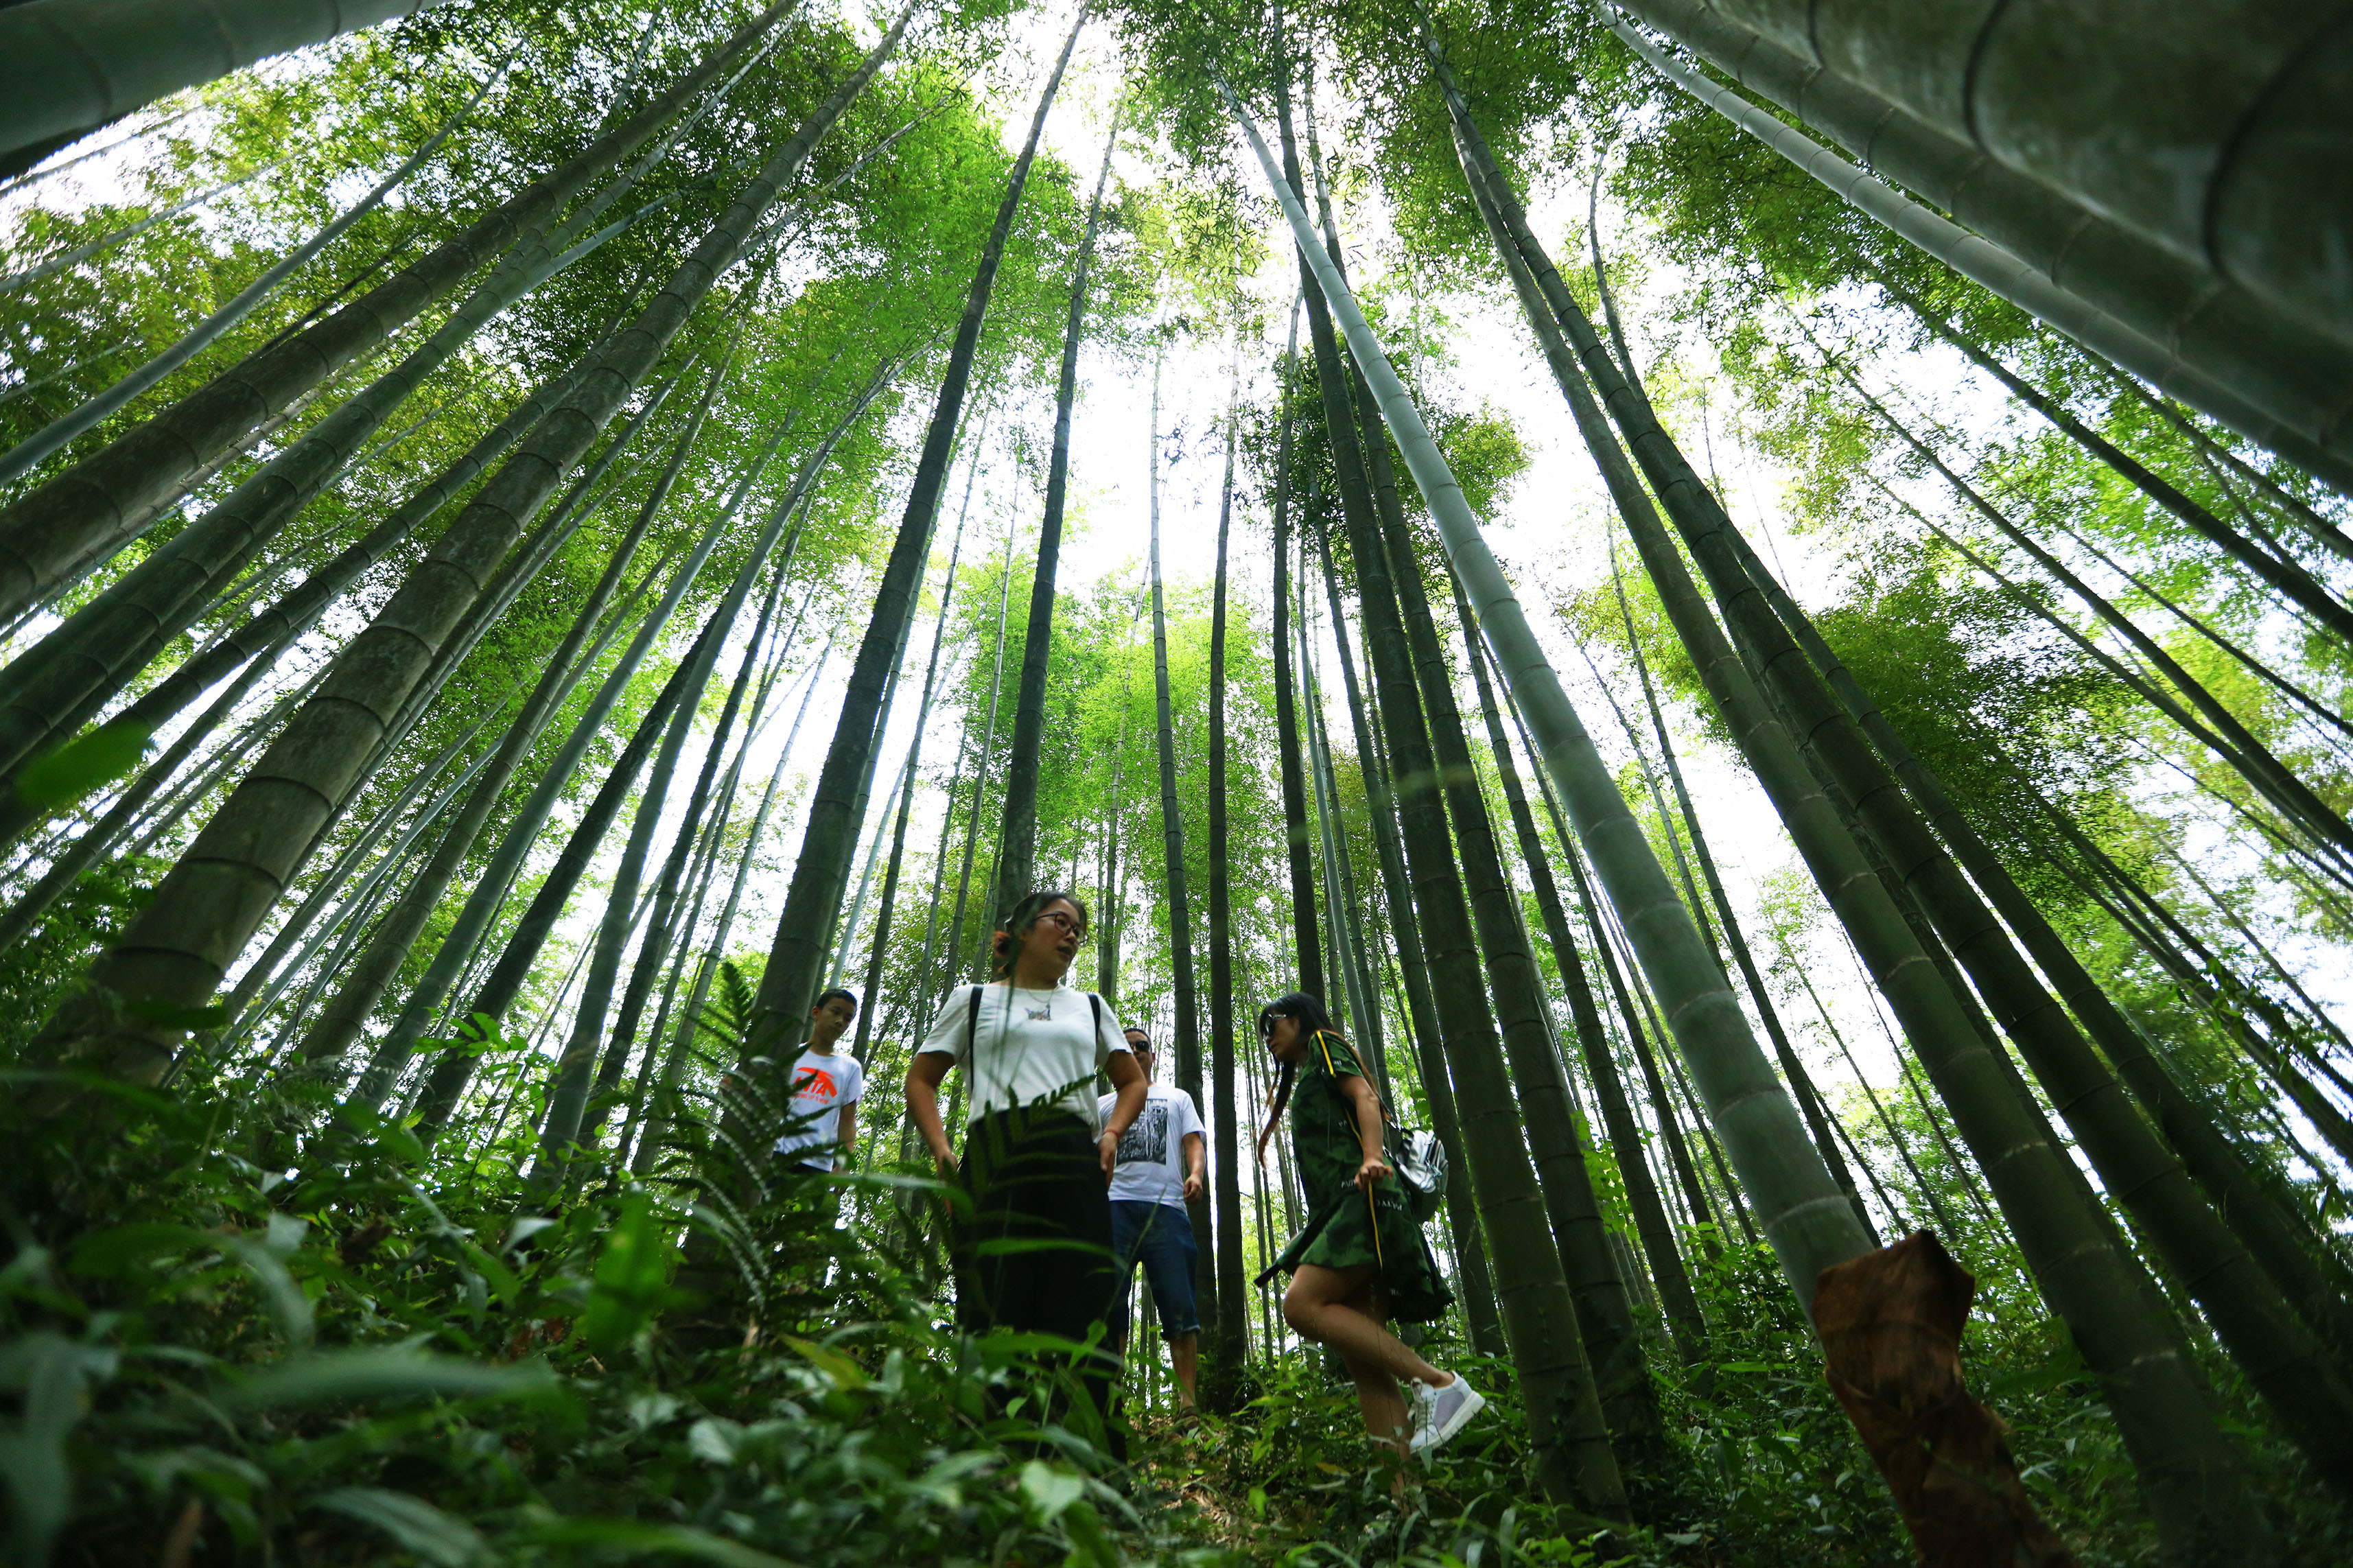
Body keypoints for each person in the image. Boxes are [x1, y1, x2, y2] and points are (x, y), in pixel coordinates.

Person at [905, 891, 1147, 1454]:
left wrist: (1110, 1134)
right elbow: (921, 1079)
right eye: (1060, 922)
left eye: (1078, 930)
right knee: (995, 1297)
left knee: (1083, 1297)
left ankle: (1085, 1451)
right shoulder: (972, 1000)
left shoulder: (1088, 1005)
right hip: (996, 1153)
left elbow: (1130, 1081)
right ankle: (992, 1449)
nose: (1071, 935)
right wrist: (943, 1155)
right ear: (1017, 931)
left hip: (1071, 1154)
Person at [1258, 991, 1482, 1461]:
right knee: (1366, 1367)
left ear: (1297, 1019)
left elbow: (1364, 1095)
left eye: (1272, 1024)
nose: (1268, 1037)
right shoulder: (1307, 1072)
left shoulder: (1323, 1042)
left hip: (1360, 1200)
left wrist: (1371, 1158)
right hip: (1346, 1207)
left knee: (1300, 1305)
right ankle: (1404, 1501)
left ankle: (1440, 1382)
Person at [1098, 1027, 1206, 1411]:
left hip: (1168, 1209)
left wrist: (1196, 1173)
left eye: (1141, 1046)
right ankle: (1110, 1402)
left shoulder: (1177, 1097)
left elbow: (1193, 1142)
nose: (1135, 1051)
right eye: (1126, 1048)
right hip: (1115, 1207)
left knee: (1180, 1304)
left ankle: (1188, 1405)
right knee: (1109, 1306)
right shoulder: (1104, 1104)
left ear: (1152, 1054)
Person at [773, 987, 864, 1175]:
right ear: (816, 1013)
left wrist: (845, 1162)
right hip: (776, 1152)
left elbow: (848, 1121)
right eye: (835, 1012)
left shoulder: (850, 1068)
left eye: (848, 1019)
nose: (840, 1022)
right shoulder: (790, 1055)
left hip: (817, 1162)